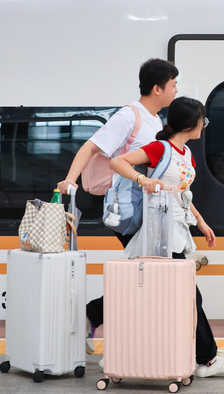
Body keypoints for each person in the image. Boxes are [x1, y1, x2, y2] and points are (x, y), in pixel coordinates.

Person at [110, 96, 224, 377]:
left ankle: (124, 352)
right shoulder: (160, 148)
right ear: (192, 124)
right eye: (202, 121)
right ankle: (206, 359)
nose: (204, 126)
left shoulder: (185, 153)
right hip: (159, 234)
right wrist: (142, 180)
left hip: (177, 231)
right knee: (188, 297)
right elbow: (118, 162)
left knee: (161, 297)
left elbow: (183, 193)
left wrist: (201, 221)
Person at [57, 58, 179, 357]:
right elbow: (91, 146)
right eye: (173, 85)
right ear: (157, 88)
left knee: (150, 275)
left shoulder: (154, 120)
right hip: (127, 209)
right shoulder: (130, 116)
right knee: (152, 274)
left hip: (146, 209)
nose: (176, 91)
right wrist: (70, 180)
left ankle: (96, 316)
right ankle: (106, 326)